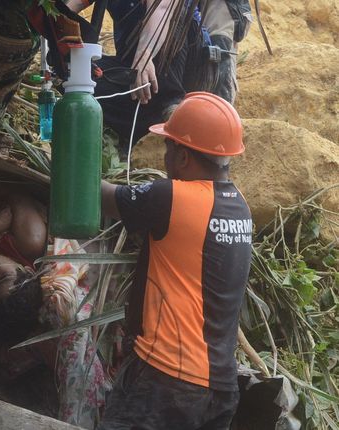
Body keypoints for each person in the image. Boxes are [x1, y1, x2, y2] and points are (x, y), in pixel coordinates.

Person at [99, 92, 252, 429]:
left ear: (183, 157)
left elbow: (104, 198)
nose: (165, 157)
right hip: (219, 387)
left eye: (168, 148)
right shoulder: (240, 207)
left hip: (166, 381)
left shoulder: (172, 196)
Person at [65, 0, 189, 148]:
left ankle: (171, 109)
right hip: (127, 68)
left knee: (165, 31)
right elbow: (71, 7)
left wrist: (145, 54)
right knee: (76, 77)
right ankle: (138, 129)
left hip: (162, 59)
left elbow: (162, 9)